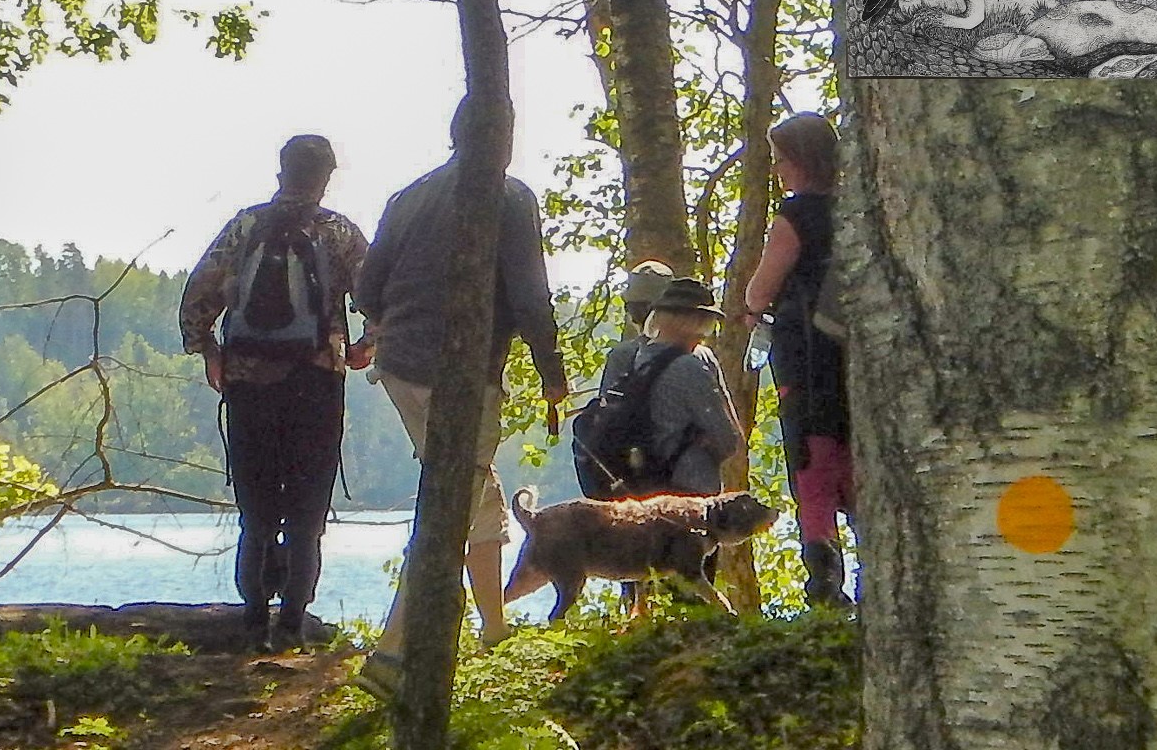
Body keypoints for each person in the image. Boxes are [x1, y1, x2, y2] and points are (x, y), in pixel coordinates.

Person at [357, 101, 567, 673]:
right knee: (451, 504)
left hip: (400, 366)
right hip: (462, 377)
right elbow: (529, 298)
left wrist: (400, 323)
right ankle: (392, 652)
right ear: (504, 138)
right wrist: (553, 376)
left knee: (480, 493)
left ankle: (495, 629)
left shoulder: (409, 196)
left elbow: (367, 287)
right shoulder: (509, 196)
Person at [179, 134, 372, 650]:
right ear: (326, 177)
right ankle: (292, 623)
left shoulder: (244, 226)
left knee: (257, 505)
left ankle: (252, 618)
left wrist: (209, 352)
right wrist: (367, 343)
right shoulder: (337, 231)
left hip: (248, 380)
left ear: (281, 171)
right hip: (317, 380)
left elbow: (199, 292)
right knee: (308, 507)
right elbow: (378, 292)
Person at [738, 111, 852, 605]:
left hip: (807, 360)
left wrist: (752, 308)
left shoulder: (796, 216)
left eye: (781, 159)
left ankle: (823, 578)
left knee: (812, 461)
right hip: (857, 356)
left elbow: (759, 292)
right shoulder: (859, 207)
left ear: (799, 161)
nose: (777, 169)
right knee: (855, 455)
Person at [583, 277, 742, 499]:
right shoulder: (690, 367)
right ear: (697, 321)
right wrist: (701, 440)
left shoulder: (635, 359)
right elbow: (729, 440)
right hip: (688, 494)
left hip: (640, 488)